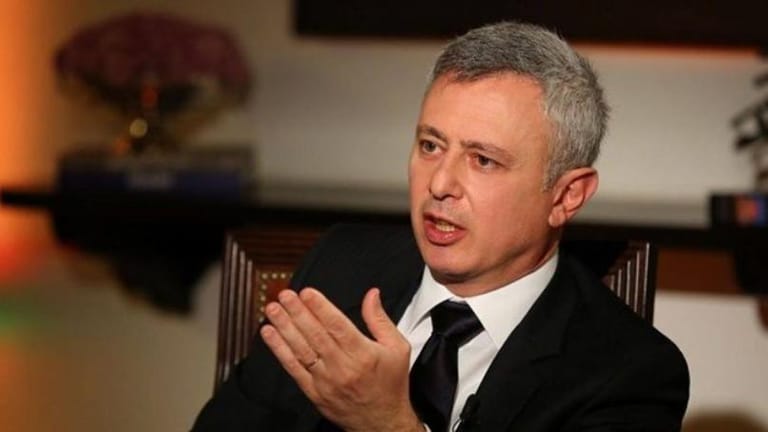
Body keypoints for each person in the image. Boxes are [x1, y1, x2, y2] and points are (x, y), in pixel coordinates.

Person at [193, 21, 689, 431]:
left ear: (566, 196)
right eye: (430, 146)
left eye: (483, 160)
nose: (440, 184)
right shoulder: (341, 265)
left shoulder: (629, 373)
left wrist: (390, 425)